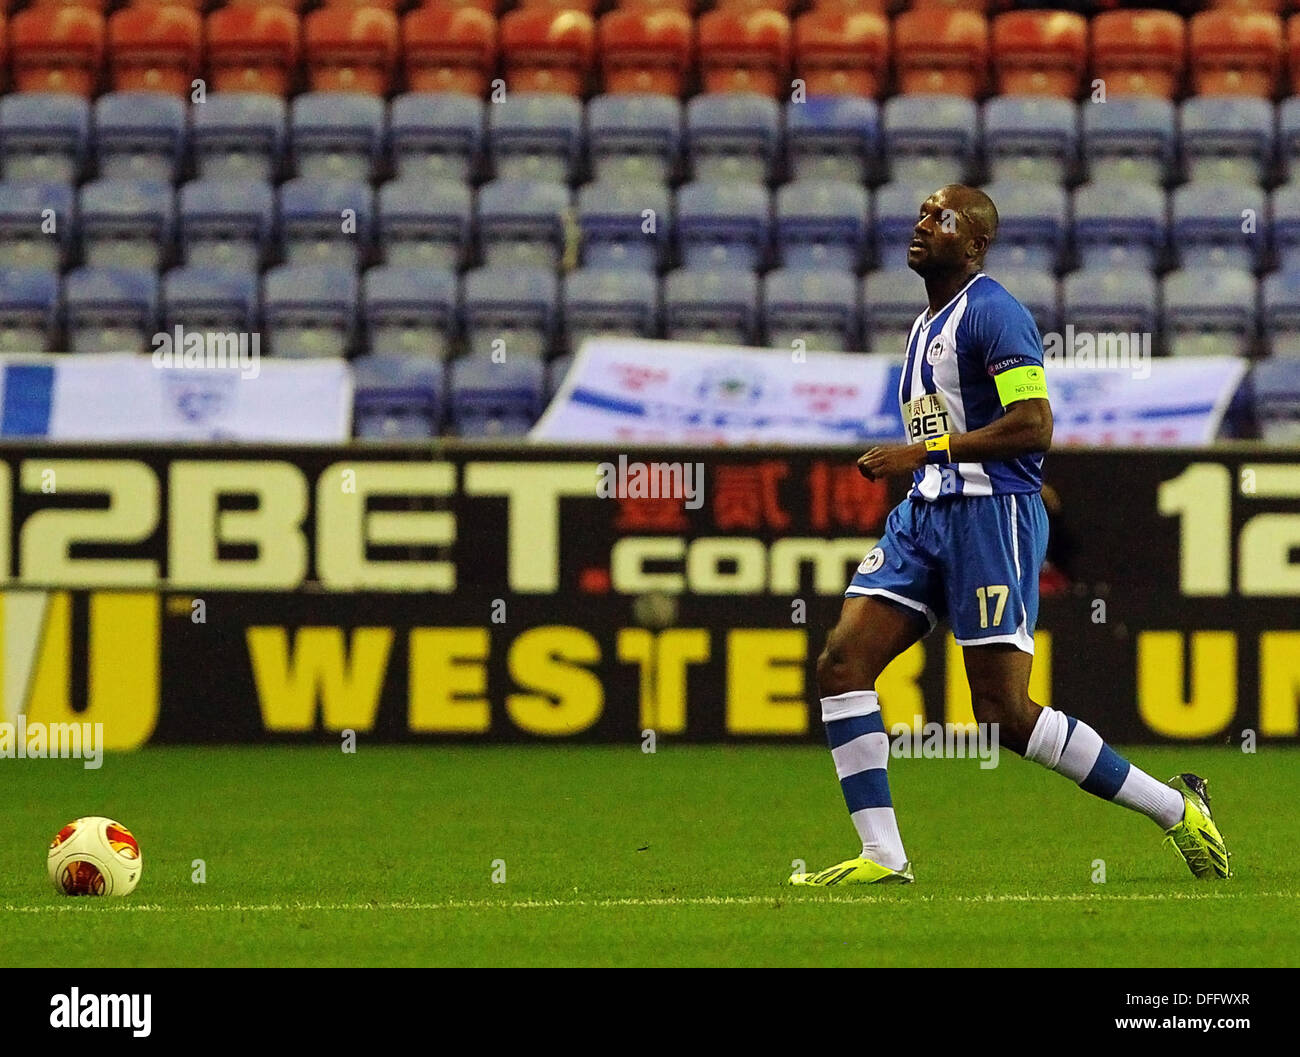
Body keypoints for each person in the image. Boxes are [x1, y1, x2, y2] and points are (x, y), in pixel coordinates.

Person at [790, 185, 1230, 886]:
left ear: (974, 246)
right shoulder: (922, 325)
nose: (922, 223)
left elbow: (1034, 424)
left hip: (992, 519)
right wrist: (925, 468)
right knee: (842, 663)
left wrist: (919, 456)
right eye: (923, 212)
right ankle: (883, 854)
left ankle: (1175, 808)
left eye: (942, 218)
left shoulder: (996, 314)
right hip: (926, 515)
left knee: (1002, 713)